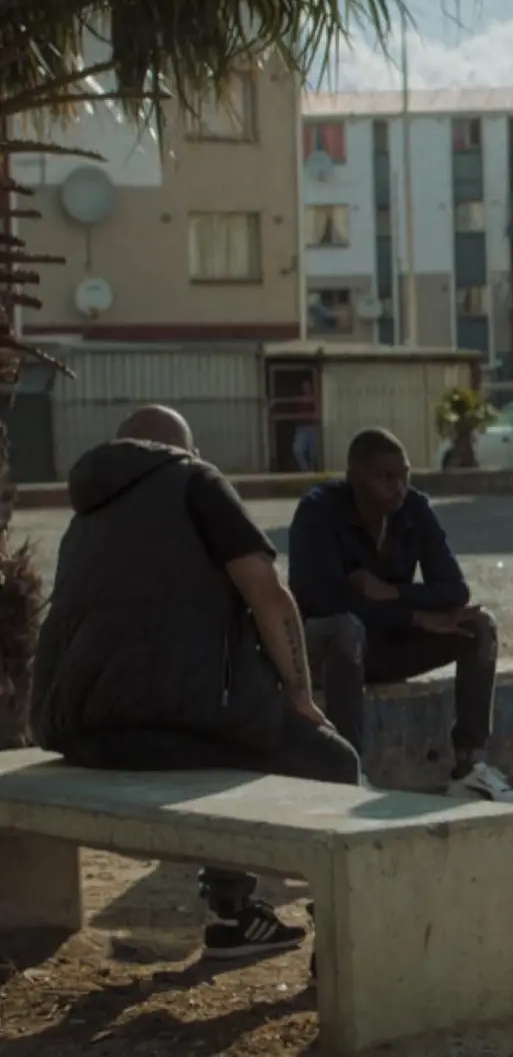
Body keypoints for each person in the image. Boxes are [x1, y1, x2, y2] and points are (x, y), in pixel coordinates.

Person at [31, 405, 360, 961]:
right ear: (183, 450)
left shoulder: (86, 514)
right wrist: (300, 695)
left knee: (224, 737)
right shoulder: (193, 480)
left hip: (78, 731)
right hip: (162, 726)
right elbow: (268, 594)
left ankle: (236, 913)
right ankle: (339, 941)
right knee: (332, 760)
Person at [287, 428, 513, 805]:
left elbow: (453, 589)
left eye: (405, 475)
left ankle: (469, 768)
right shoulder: (318, 511)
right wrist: (414, 616)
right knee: (346, 629)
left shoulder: (413, 509)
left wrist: (395, 594)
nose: (398, 487)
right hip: (330, 655)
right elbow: (321, 600)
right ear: (355, 478)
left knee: (478, 627)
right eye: (386, 478)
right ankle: (346, 773)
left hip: (385, 648)